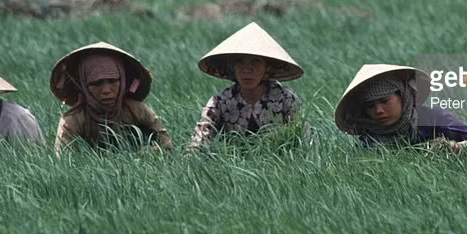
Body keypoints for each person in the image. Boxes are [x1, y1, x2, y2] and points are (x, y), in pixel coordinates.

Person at [190, 22, 305, 150]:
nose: (247, 70)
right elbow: (200, 140)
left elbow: (304, 139)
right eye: (240, 62)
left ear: (267, 67)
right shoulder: (221, 102)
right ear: (232, 67)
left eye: (256, 62)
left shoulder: (285, 99)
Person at [51, 41, 172, 155]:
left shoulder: (136, 110)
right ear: (84, 85)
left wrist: (150, 152)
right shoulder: (73, 121)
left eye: (113, 81)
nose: (106, 90)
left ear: (122, 80)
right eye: (97, 83)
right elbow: (64, 161)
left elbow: (167, 145)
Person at [335, 64, 467, 148]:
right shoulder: (369, 140)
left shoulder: (434, 119)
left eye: (385, 101)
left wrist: (456, 148)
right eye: (370, 106)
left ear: (403, 96)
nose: (378, 110)